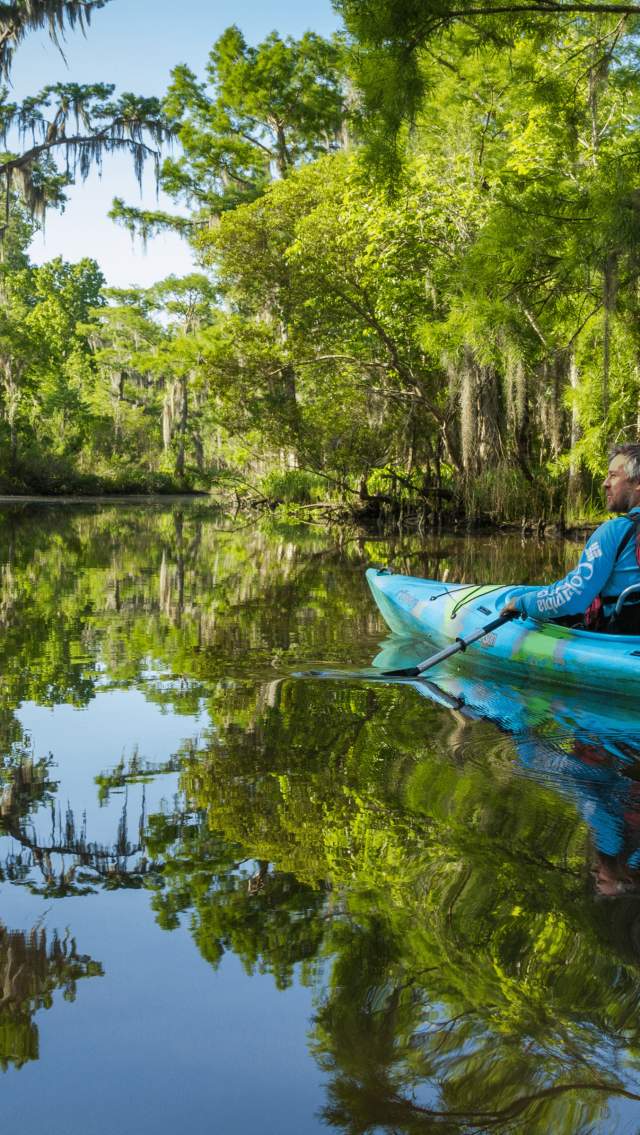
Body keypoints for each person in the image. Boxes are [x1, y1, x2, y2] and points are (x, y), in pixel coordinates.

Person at [502, 444, 640, 631]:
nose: (605, 483)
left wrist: (521, 603)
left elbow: (572, 598)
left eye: (613, 475)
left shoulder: (615, 531)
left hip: (619, 639)